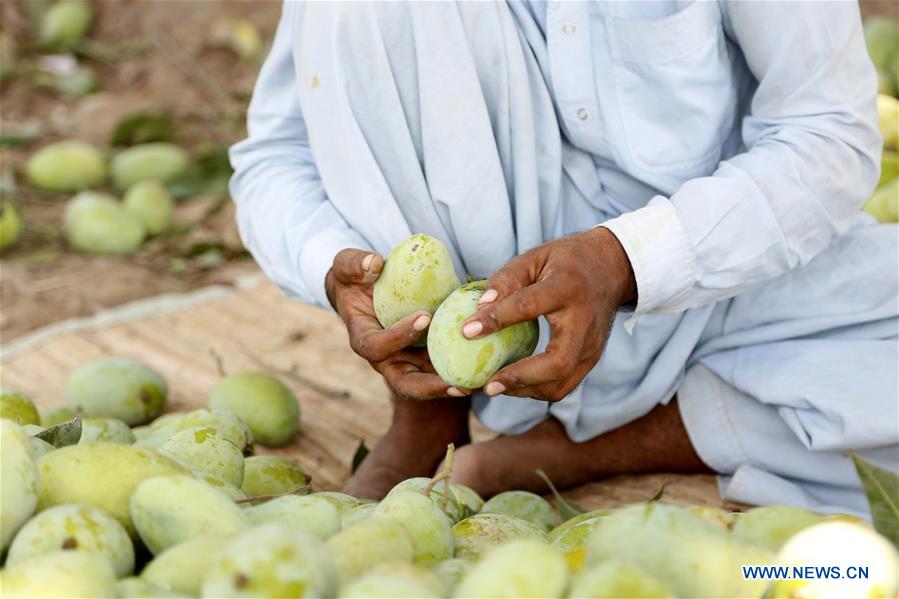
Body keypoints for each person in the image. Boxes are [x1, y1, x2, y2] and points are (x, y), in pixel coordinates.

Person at [230, 1, 898, 517]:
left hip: (711, 288)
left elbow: (828, 136)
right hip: (476, 329)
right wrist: (331, 266)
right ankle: (432, 414)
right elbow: (275, 156)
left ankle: (566, 451)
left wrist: (624, 261)